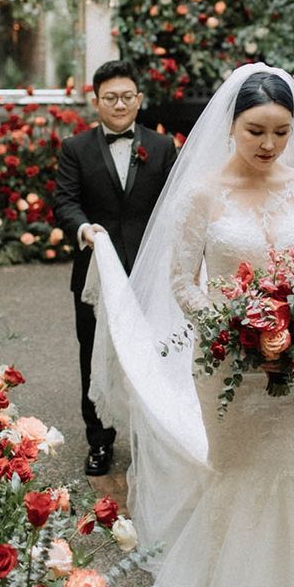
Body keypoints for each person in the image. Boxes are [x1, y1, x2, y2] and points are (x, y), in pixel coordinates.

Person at [84, 63, 294, 587]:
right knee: (237, 475)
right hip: (229, 364)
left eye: (281, 132)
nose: (268, 145)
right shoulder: (201, 193)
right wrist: (238, 327)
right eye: (256, 129)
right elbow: (183, 283)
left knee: (286, 478)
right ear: (231, 125)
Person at [53, 60, 177, 476]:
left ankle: (149, 440)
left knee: (151, 354)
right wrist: (83, 227)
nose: (119, 104)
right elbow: (64, 202)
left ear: (139, 100)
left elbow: (173, 203)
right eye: (110, 97)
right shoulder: (76, 148)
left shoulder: (160, 148)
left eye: (127, 96)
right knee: (94, 355)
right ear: (96, 102)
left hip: (149, 271)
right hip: (96, 271)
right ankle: (99, 442)